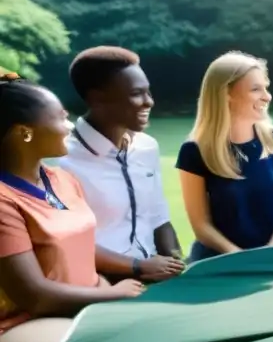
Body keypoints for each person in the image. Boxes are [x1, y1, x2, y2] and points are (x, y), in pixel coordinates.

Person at [0, 74, 144, 342]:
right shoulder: (3, 199)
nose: (69, 124)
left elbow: (81, 244)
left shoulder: (62, 180)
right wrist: (116, 296)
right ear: (25, 132)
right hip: (23, 324)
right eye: (60, 117)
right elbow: (34, 294)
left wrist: (132, 270)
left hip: (78, 309)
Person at [58, 46, 184, 282]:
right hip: (100, 285)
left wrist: (176, 264)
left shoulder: (147, 147)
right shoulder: (61, 159)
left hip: (154, 277)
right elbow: (65, 240)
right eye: (137, 93)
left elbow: (158, 216)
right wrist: (138, 266)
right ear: (97, 98)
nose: (149, 102)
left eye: (148, 92)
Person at [176, 52, 273, 261]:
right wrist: (238, 256)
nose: (267, 96)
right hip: (219, 263)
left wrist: (271, 250)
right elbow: (201, 225)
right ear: (226, 93)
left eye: (266, 87)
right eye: (255, 89)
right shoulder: (194, 151)